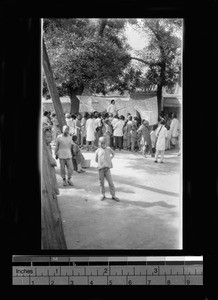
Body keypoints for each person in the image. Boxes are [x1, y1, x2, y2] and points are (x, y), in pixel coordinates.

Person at [95, 137, 119, 202]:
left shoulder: (108, 149)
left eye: (104, 143)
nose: (103, 144)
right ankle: (102, 194)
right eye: (101, 143)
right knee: (101, 182)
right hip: (100, 169)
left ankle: (113, 195)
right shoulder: (98, 150)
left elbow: (113, 154)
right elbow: (96, 160)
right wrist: (102, 162)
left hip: (107, 169)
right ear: (99, 143)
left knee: (111, 182)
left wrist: (109, 159)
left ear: (106, 143)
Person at [44, 126, 59, 195]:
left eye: (50, 137)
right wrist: (53, 161)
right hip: (46, 166)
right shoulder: (44, 147)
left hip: (49, 167)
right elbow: (50, 159)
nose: (49, 139)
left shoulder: (48, 145)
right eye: (47, 137)